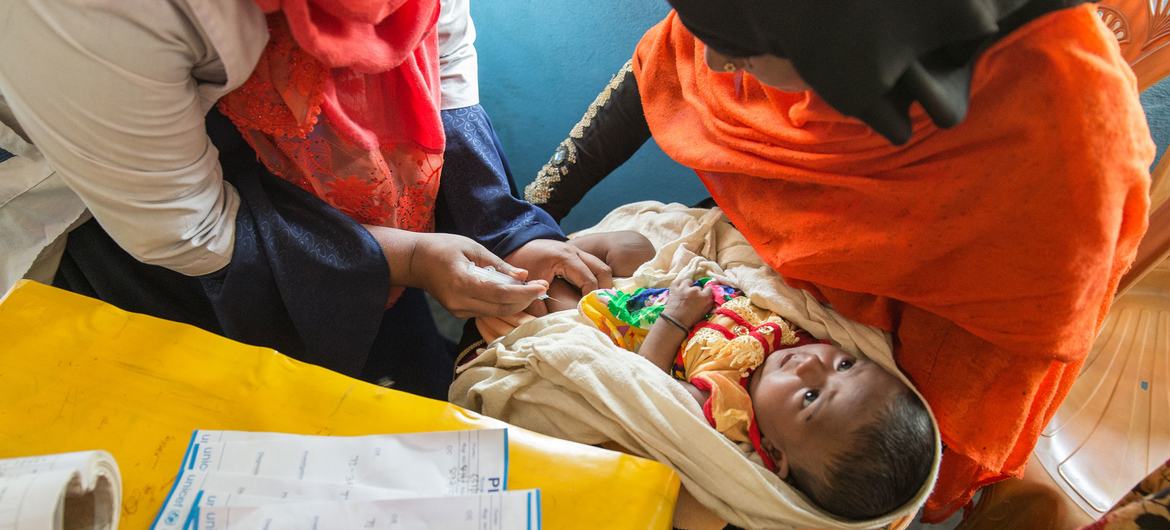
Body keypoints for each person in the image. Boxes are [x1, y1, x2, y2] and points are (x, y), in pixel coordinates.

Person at [524, 0, 1154, 521]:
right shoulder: (802, 21)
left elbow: (918, 419)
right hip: (737, 269)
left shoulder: (1053, 170)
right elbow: (673, 60)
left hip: (896, 370)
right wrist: (527, 220)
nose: (715, 63)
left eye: (738, 50)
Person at [0, 0, 606, 400]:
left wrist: (501, 225)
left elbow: (442, 45)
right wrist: (410, 260)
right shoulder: (93, 16)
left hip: (335, 236)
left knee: (403, 363)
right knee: (253, 407)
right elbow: (187, 230)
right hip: (172, 228)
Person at [580, 272, 935, 520]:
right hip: (696, 282)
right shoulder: (810, 337)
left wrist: (675, 317)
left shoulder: (725, 407)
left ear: (776, 452)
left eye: (810, 396)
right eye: (845, 365)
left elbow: (644, 381)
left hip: (638, 317)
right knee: (631, 243)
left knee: (569, 300)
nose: (810, 363)